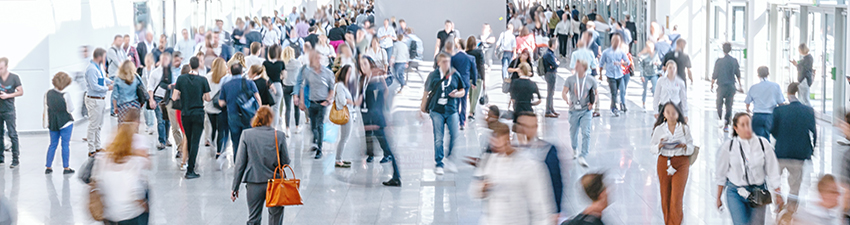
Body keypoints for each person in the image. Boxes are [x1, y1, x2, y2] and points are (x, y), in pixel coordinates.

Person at [469, 122, 554, 225]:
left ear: (509, 139)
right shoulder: (489, 160)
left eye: (503, 145)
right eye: (496, 147)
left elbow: (540, 207)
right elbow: (474, 191)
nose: (500, 151)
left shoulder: (530, 166)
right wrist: (482, 188)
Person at [715, 113, 782, 225]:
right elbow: (721, 174)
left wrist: (778, 193)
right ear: (736, 128)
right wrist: (718, 197)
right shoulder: (729, 147)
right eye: (743, 125)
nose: (747, 128)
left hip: (759, 192)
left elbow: (773, 171)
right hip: (736, 192)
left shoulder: (763, 144)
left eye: (748, 124)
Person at [230, 106, 288, 225]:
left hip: (253, 182)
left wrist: (235, 187)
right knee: (275, 217)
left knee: (254, 218)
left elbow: (240, 163)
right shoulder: (279, 136)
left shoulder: (247, 135)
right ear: (271, 119)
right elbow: (285, 161)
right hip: (275, 183)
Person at [92, 108, 150, 224]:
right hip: (129, 214)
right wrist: (144, 206)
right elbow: (135, 191)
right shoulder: (132, 163)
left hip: (110, 213)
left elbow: (97, 181)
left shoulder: (104, 160)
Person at [357, 56, 401, 186]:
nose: (363, 66)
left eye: (365, 64)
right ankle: (395, 175)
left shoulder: (375, 79)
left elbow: (381, 98)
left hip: (377, 120)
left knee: (388, 149)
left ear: (370, 64)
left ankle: (397, 176)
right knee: (385, 147)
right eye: (361, 64)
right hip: (368, 116)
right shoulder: (363, 79)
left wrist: (380, 118)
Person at [770, 82, 816, 204]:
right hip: (799, 154)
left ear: (788, 93)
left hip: (781, 151)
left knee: (775, 181)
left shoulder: (779, 110)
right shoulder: (808, 111)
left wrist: (780, 138)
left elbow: (772, 130)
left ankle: (778, 204)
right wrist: (811, 150)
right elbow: (813, 133)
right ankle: (790, 211)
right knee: (795, 186)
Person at [649, 102, 694, 225]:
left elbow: (691, 147)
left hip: (681, 162)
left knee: (676, 199)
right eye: (668, 112)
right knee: (665, 197)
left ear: (678, 114)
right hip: (664, 162)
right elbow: (652, 148)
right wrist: (659, 145)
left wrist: (685, 146)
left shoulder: (684, 128)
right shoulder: (659, 129)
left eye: (673, 112)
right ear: (663, 113)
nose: (671, 115)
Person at [422, 53, 467, 175]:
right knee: (438, 137)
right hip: (437, 110)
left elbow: (463, 91)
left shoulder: (455, 74)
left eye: (448, 61)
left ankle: (450, 158)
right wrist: (422, 107)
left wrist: (456, 94)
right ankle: (439, 163)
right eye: (444, 61)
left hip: (451, 110)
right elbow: (426, 91)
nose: (447, 63)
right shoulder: (433, 75)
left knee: (454, 134)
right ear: (438, 63)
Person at [514, 112, 564, 216]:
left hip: (539, 211)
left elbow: (556, 183)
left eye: (533, 126)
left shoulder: (547, 151)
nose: (530, 130)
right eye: (526, 126)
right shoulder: (506, 148)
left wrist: (556, 211)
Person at [172, 57, 210, 179]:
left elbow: (174, 97)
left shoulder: (181, 79)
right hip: (198, 112)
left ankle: (189, 165)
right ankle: (190, 169)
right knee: (195, 141)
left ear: (189, 65)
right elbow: (208, 98)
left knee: (188, 138)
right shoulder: (203, 80)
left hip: (185, 113)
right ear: (198, 66)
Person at [219, 63, 262, 160]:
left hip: (233, 115)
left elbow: (221, 103)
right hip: (249, 115)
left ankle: (237, 163)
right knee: (249, 139)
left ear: (231, 72)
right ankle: (249, 160)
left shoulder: (226, 85)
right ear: (242, 72)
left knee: (236, 141)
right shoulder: (249, 83)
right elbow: (258, 98)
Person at [300, 50, 335, 159]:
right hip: (312, 102)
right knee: (313, 126)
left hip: (322, 103)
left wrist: (328, 99)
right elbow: (303, 86)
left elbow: (332, 89)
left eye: (319, 58)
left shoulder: (328, 73)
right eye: (316, 58)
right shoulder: (308, 72)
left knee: (320, 125)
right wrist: (302, 100)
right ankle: (315, 141)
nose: (318, 61)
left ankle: (319, 149)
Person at [562, 59, 596, 167]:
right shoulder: (570, 79)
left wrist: (593, 103)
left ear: (584, 67)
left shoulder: (591, 80)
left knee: (586, 132)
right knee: (573, 131)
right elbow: (564, 91)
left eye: (578, 65)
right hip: (573, 111)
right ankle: (574, 148)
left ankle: (583, 154)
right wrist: (566, 99)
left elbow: (596, 93)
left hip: (586, 110)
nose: (575, 67)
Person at [43, 72, 75, 174]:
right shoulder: (66, 95)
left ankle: (48, 167)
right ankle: (66, 168)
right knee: (65, 145)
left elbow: (46, 108)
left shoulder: (48, 93)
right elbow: (70, 109)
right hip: (65, 122)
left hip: (53, 123)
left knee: (52, 144)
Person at [84, 50, 113, 157]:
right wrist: (108, 88)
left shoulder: (96, 67)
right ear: (100, 57)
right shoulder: (91, 69)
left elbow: (101, 78)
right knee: (93, 125)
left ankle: (97, 146)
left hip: (100, 99)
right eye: (104, 57)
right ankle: (91, 149)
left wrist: (109, 81)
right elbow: (94, 86)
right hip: (94, 100)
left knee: (99, 124)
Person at [744, 66, 785, 139]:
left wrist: (748, 109)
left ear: (758, 75)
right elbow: (781, 103)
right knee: (767, 137)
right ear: (768, 74)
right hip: (771, 115)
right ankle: (767, 148)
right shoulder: (775, 86)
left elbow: (747, 102)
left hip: (757, 115)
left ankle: (761, 149)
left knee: (758, 139)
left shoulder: (753, 87)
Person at [446, 40, 478, 129]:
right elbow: (474, 72)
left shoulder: (454, 58)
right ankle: (462, 122)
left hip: (456, 82)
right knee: (464, 102)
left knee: (456, 102)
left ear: (459, 46)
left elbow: (450, 71)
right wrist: (474, 82)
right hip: (466, 82)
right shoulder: (471, 58)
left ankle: (454, 121)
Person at [711, 42, 742, 132]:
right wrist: (740, 85)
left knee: (719, 103)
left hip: (721, 86)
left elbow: (715, 74)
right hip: (731, 86)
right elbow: (738, 74)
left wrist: (712, 84)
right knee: (729, 105)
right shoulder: (734, 61)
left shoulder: (719, 61)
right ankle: (726, 124)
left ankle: (720, 118)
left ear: (722, 49)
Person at [147, 52, 174, 150]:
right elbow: (150, 87)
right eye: (163, 59)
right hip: (158, 98)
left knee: (168, 121)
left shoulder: (172, 73)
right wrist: (151, 100)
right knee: (160, 120)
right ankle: (162, 141)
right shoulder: (155, 72)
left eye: (167, 59)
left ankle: (166, 139)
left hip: (169, 99)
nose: (165, 61)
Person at [599, 34, 630, 116]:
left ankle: (621, 104)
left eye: (618, 41)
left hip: (619, 74)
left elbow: (628, 62)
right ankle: (614, 108)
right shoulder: (606, 52)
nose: (616, 43)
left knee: (621, 90)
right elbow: (601, 64)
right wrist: (600, 75)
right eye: (615, 41)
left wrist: (621, 63)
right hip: (610, 75)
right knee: (614, 92)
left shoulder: (621, 52)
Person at [205, 58, 229, 159]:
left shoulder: (207, 77)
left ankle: (212, 142)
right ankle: (219, 151)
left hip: (209, 107)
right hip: (220, 107)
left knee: (213, 127)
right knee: (221, 129)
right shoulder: (226, 77)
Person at [333, 65, 355, 168]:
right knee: (344, 138)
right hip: (345, 114)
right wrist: (351, 101)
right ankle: (338, 160)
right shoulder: (340, 85)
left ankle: (340, 158)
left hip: (348, 113)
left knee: (345, 137)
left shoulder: (345, 85)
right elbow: (342, 100)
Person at [281, 47, 302, 136]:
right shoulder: (297, 63)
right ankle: (297, 127)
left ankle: (287, 129)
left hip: (286, 86)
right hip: (295, 87)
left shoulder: (283, 64)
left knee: (288, 108)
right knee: (296, 107)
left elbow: (281, 76)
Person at [263, 45, 285, 129]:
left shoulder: (265, 63)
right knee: (276, 109)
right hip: (278, 86)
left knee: (267, 109)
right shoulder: (281, 63)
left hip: (268, 87)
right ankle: (274, 128)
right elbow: (284, 75)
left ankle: (267, 126)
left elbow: (264, 76)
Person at [465, 36, 486, 118]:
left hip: (468, 77)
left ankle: (471, 110)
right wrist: (484, 78)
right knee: (475, 96)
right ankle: (472, 112)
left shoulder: (466, 53)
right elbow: (481, 66)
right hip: (477, 76)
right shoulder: (479, 52)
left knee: (470, 95)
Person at [541, 38, 560, 118]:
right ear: (553, 44)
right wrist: (556, 63)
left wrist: (555, 63)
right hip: (550, 74)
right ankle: (548, 110)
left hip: (551, 73)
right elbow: (555, 64)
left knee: (551, 92)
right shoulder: (549, 54)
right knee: (550, 92)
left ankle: (551, 108)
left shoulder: (550, 53)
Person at [638, 40, 659, 109]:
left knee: (654, 89)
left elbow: (659, 62)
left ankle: (656, 103)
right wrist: (641, 75)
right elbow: (640, 66)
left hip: (654, 73)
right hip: (645, 74)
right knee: (644, 89)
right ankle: (643, 102)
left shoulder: (656, 54)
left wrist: (657, 64)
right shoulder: (643, 56)